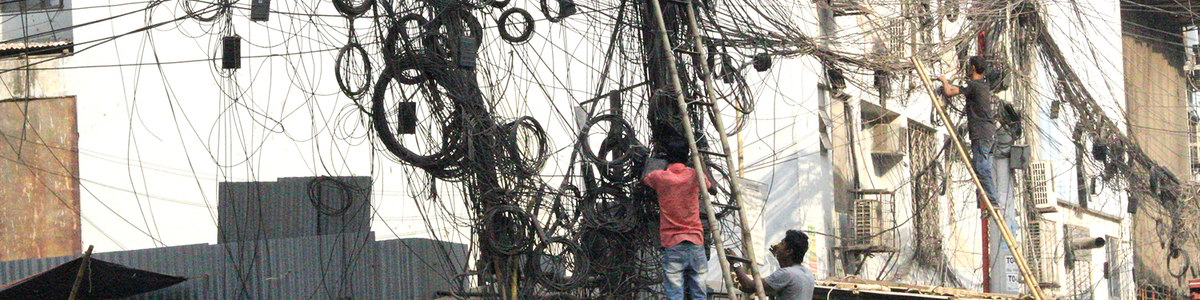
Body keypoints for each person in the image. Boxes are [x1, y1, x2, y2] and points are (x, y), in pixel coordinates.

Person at [644, 140, 716, 300]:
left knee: (675, 295)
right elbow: (711, 188)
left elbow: (645, 179)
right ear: (687, 157)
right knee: (699, 294)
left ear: (668, 158)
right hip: (696, 242)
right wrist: (700, 163)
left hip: (673, 244)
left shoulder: (659, 177)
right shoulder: (696, 175)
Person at [938, 56, 998, 207]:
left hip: (981, 134)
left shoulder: (973, 85)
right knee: (984, 171)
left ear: (972, 68)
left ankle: (992, 201)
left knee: (981, 169)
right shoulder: (983, 86)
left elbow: (949, 92)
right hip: (990, 134)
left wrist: (944, 81)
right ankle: (987, 201)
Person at [729, 229, 815, 300]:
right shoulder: (807, 273)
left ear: (789, 251)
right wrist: (780, 257)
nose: (778, 246)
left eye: (782, 244)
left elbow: (748, 286)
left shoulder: (786, 274)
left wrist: (735, 263)